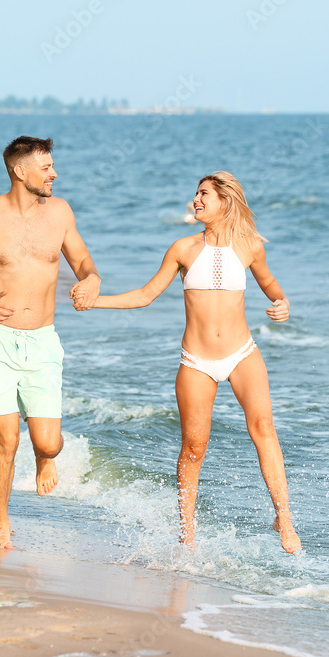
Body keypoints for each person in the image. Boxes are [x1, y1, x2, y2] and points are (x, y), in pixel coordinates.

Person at [82, 171, 301, 554]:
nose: (196, 200)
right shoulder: (182, 249)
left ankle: (284, 517)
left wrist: (282, 304)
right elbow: (145, 295)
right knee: (193, 449)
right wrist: (94, 301)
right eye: (196, 194)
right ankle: (187, 535)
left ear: (225, 201)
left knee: (264, 428)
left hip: (242, 354)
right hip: (196, 361)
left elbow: (272, 286)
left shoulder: (249, 247)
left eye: (204, 194)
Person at [0, 136, 100, 550]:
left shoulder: (61, 212)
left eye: (53, 166)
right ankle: (1, 524)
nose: (54, 174)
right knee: (6, 439)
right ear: (20, 171)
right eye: (46, 168)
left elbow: (81, 259)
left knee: (47, 441)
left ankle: (45, 457)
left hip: (43, 341)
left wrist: (92, 278)